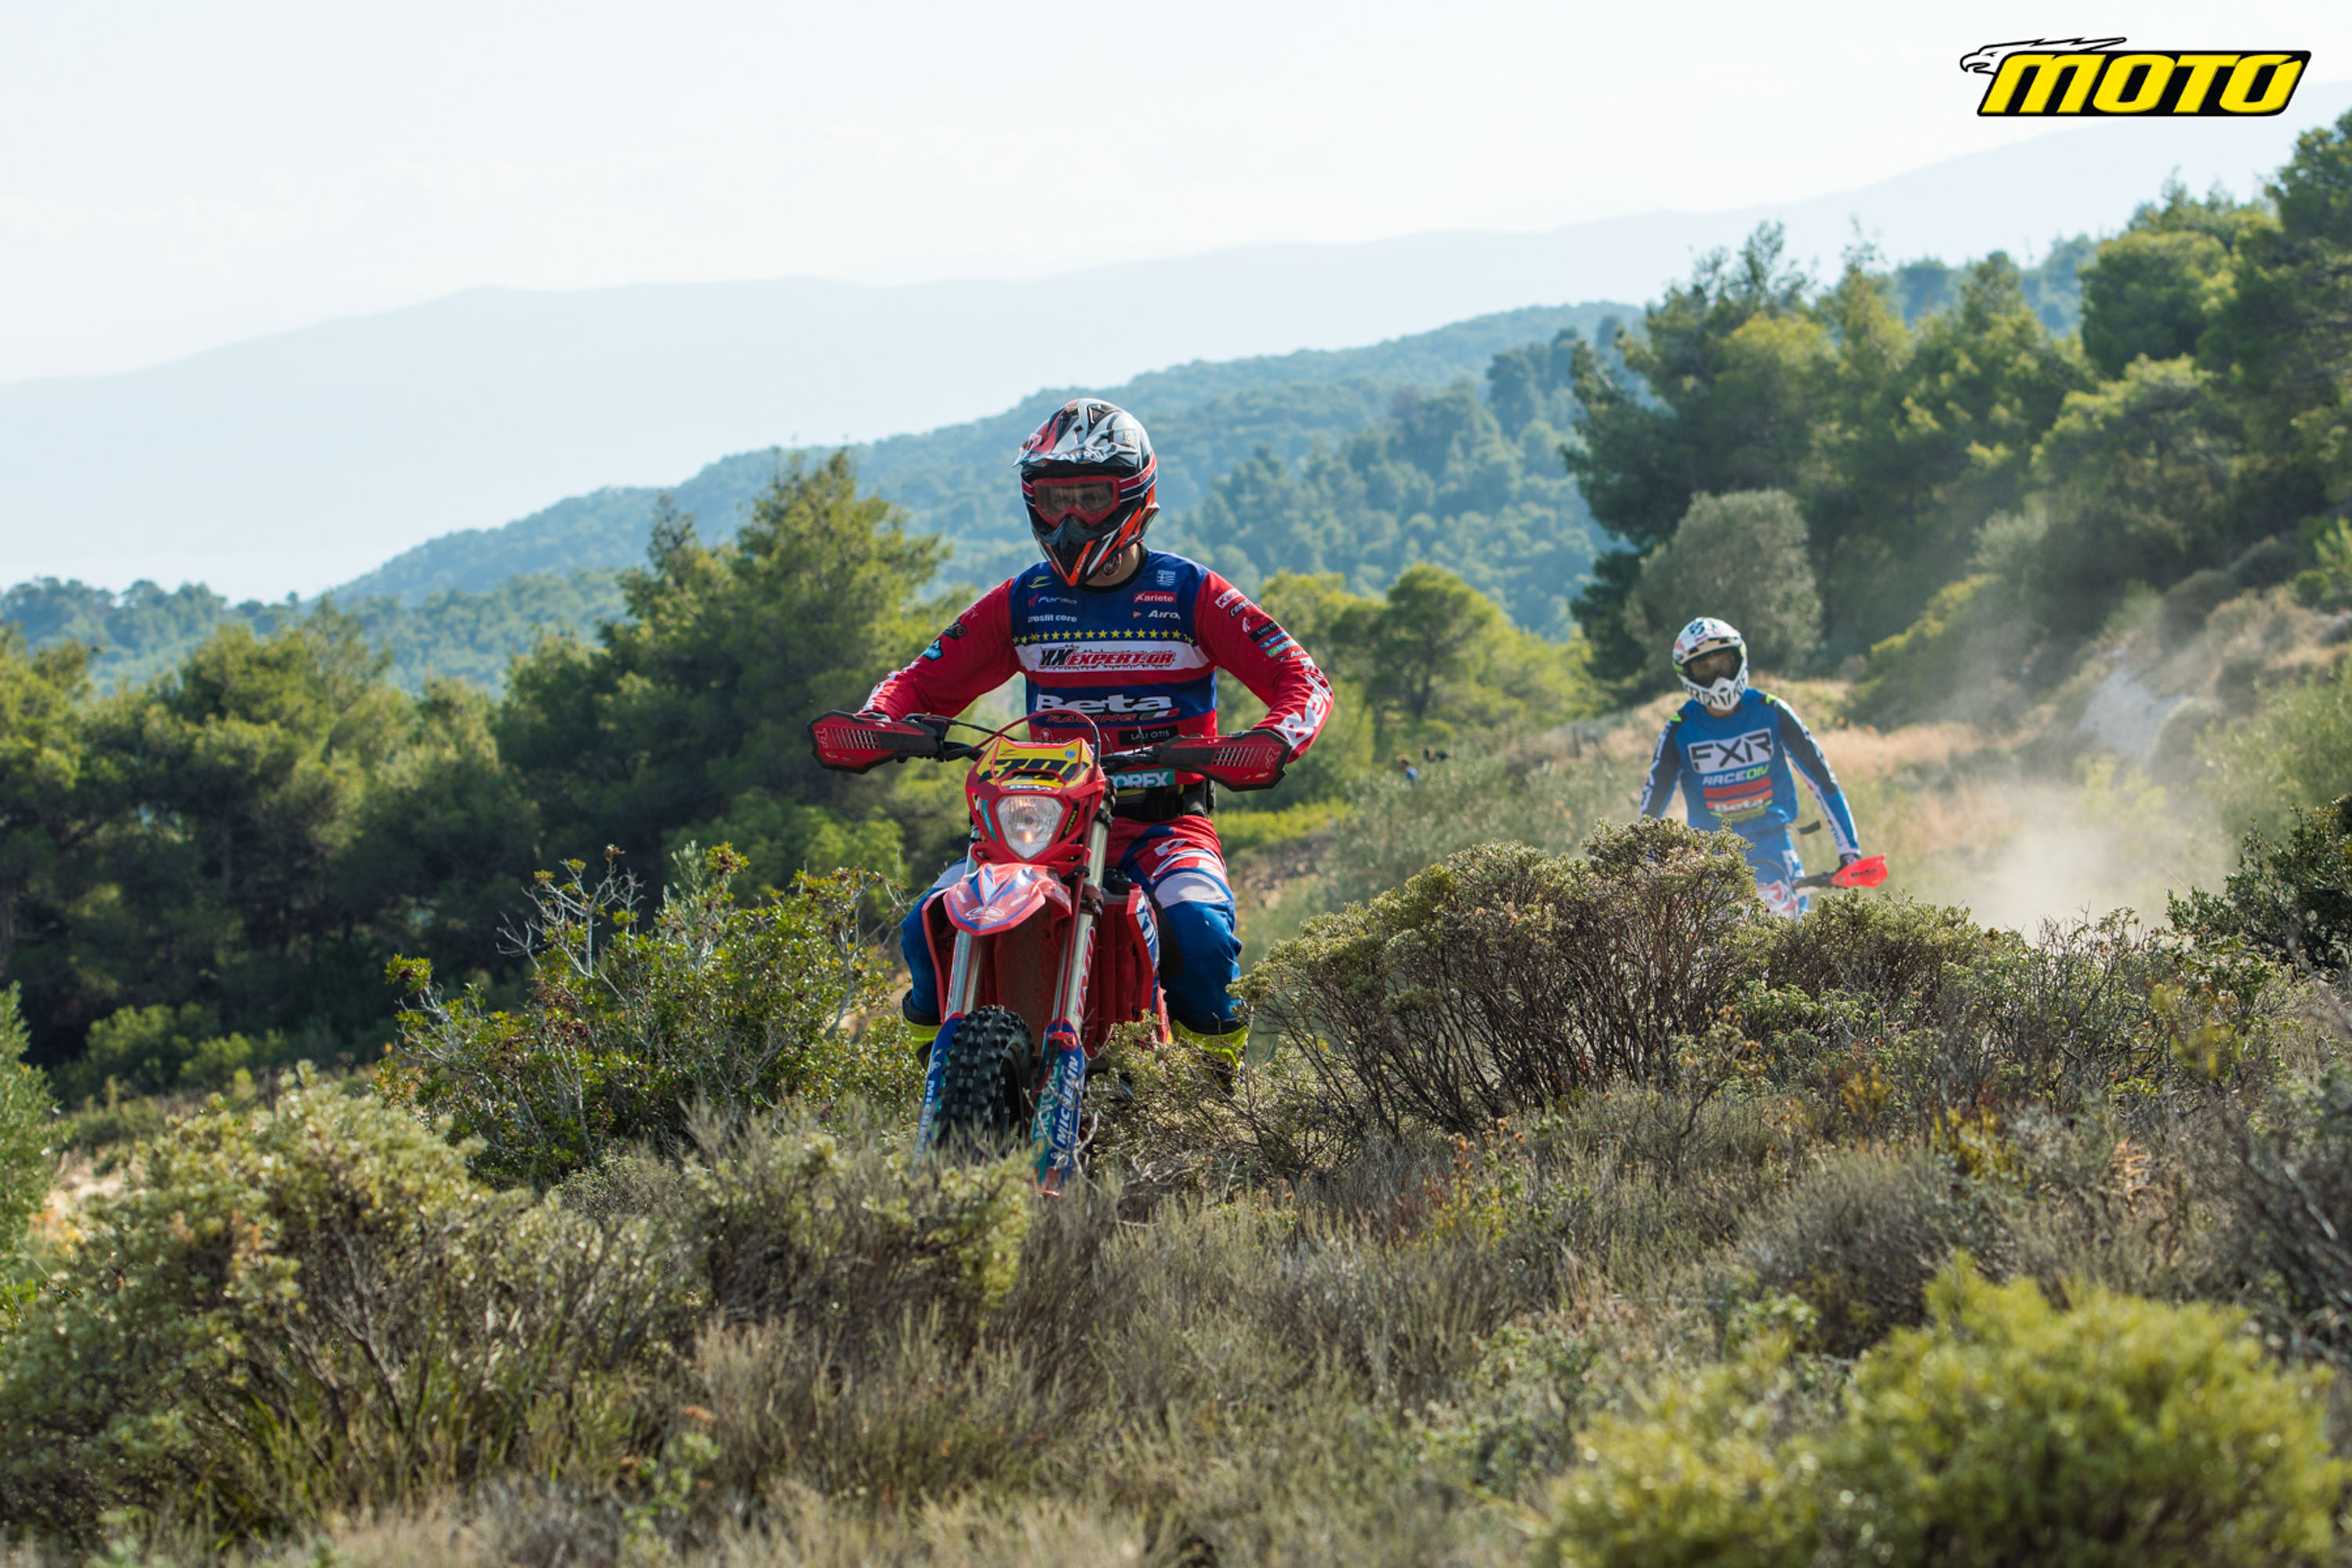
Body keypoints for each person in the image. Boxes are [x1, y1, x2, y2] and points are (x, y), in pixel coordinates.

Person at [862, 398, 1334, 1062]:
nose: (1071, 520)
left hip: (1164, 824)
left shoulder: (1189, 591)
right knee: (926, 928)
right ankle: (937, 1085)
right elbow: (920, 681)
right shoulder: (1024, 600)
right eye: (1055, 500)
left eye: (1091, 497)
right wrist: (880, 721)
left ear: (1134, 496)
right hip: (1043, 827)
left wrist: (1274, 738)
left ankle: (1214, 1096)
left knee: (1200, 937)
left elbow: (1301, 677)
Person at [1638, 617, 1863, 917]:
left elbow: (1823, 781)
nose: (1718, 678)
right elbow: (1653, 804)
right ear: (1687, 674)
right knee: (1716, 945)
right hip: (1711, 860)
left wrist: (1850, 852)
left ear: (1738, 659)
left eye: (1723, 663)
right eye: (1704, 669)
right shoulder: (1680, 728)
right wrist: (1646, 867)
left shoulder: (1772, 711)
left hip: (1776, 852)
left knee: (1794, 942)